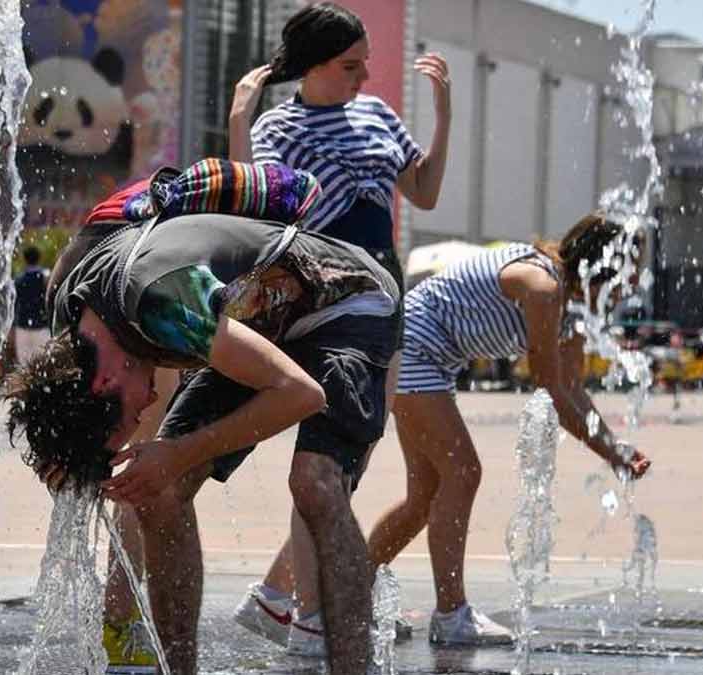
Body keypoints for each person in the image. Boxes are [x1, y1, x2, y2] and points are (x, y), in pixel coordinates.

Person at [5, 211, 402, 674]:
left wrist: (178, 453)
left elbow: (301, 394)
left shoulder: (162, 304)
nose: (149, 405)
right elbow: (63, 417)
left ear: (104, 383)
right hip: (256, 321)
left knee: (315, 481)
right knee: (160, 494)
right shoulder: (73, 336)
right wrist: (71, 462)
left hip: (348, 298)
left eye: (129, 420)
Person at [226, 1, 451, 654]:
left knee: (348, 455)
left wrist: (443, 116)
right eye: (351, 66)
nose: (363, 78)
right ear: (317, 66)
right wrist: (240, 119)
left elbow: (425, 191)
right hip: (324, 295)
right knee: (327, 452)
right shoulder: (280, 126)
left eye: (366, 66)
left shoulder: (377, 115)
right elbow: (253, 204)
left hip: (383, 292)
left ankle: (279, 596)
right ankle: (304, 612)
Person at [366, 213, 653, 645]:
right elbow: (550, 389)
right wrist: (610, 456)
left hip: (434, 360)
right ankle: (451, 614)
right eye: (628, 276)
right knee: (463, 473)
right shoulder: (543, 287)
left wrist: (616, 447)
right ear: (601, 268)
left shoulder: (571, 311)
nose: (630, 289)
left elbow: (573, 388)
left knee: (424, 497)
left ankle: (350, 590)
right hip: (412, 345)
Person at [12, 245, 50, 365]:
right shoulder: (45, 277)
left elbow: (14, 304)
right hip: (41, 326)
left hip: (22, 326)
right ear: (39, 258)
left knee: (24, 365)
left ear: (24, 259)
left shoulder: (18, 280)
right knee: (43, 363)